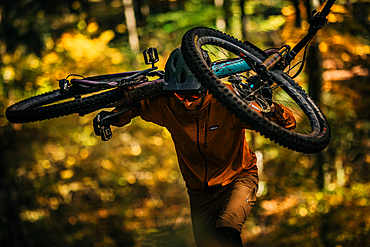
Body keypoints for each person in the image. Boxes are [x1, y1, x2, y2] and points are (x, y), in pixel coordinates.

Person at [93, 48, 296, 247]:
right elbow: (135, 107)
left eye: (194, 96)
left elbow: (287, 124)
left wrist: (271, 109)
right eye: (182, 96)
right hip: (199, 193)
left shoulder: (228, 100)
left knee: (227, 233)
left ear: (207, 86)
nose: (188, 103)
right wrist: (110, 118)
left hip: (238, 179)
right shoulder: (166, 104)